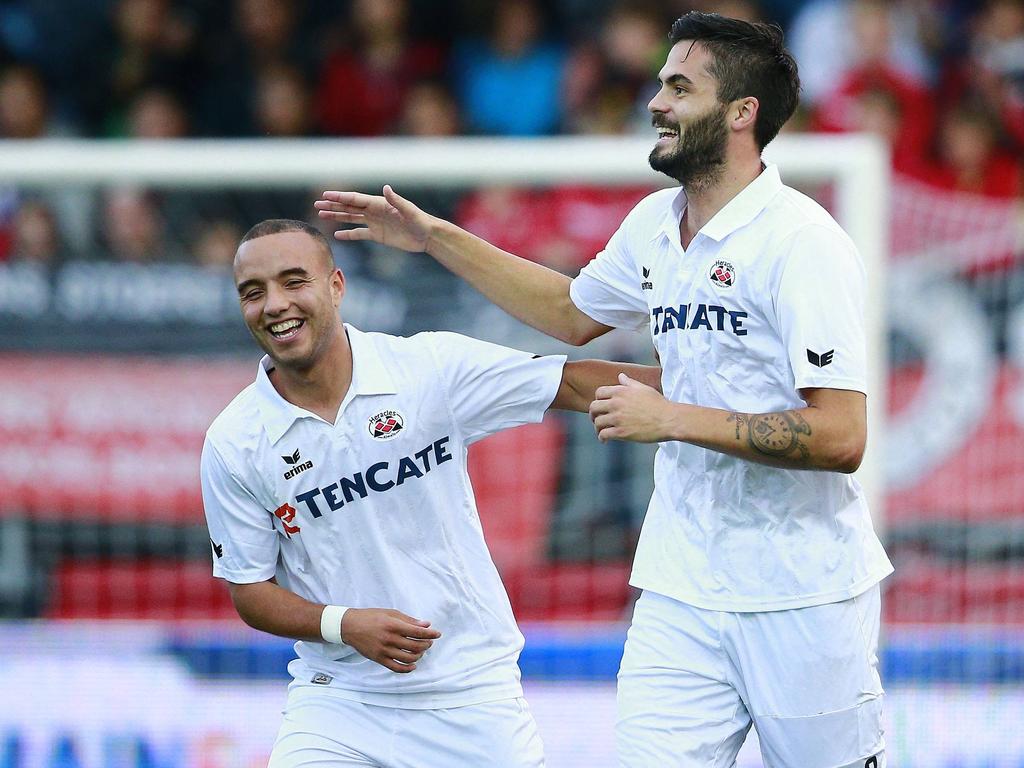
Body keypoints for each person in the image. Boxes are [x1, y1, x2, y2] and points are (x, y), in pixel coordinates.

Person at [315, 11, 894, 768]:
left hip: (805, 594)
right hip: (679, 587)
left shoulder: (803, 244)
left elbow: (842, 437)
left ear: (741, 112)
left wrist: (671, 417)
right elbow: (568, 311)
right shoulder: (657, 223)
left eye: (680, 88)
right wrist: (435, 238)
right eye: (660, 83)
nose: (656, 102)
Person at [199, 218, 660, 767]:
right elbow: (250, 591)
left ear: (336, 286)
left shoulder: (426, 368)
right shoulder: (235, 441)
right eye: (254, 293)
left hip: (471, 694)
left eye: (293, 281)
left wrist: (715, 394)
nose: (273, 304)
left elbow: (575, 381)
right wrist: (343, 624)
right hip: (339, 701)